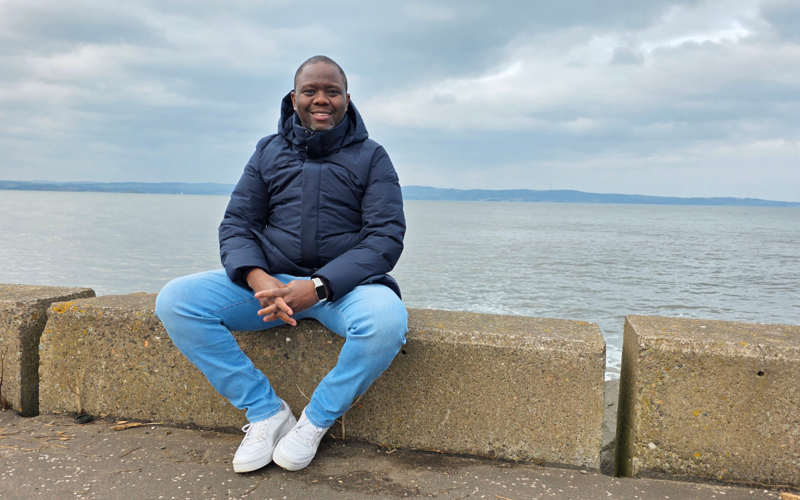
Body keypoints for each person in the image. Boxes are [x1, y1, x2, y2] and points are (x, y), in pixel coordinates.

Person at [155, 55, 407, 474]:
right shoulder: (268, 150)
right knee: (176, 300)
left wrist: (320, 286)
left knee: (386, 322)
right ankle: (266, 412)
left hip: (344, 290)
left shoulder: (372, 156)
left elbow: (385, 238)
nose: (321, 99)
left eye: (332, 91)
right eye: (310, 91)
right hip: (271, 287)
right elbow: (237, 223)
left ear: (347, 100)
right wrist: (258, 279)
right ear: (294, 98)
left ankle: (314, 422)